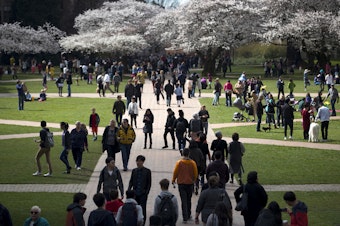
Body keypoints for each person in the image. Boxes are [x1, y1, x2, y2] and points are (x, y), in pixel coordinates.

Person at [172, 148, 198, 223]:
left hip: (181, 183)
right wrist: (194, 180)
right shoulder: (193, 163)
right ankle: (189, 214)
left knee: (183, 200)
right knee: (188, 199)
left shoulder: (179, 163)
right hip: (190, 184)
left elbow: (175, 172)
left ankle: (185, 217)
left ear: (182, 154)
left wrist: (173, 180)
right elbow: (195, 173)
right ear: (189, 154)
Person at [128, 155, 152, 224]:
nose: (138, 163)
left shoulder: (147, 171)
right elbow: (131, 181)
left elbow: (149, 183)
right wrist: (129, 190)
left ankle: (143, 222)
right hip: (135, 193)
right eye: (137, 161)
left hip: (143, 193)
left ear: (143, 162)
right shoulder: (134, 171)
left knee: (143, 208)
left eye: (140, 161)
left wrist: (146, 192)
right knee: (135, 208)